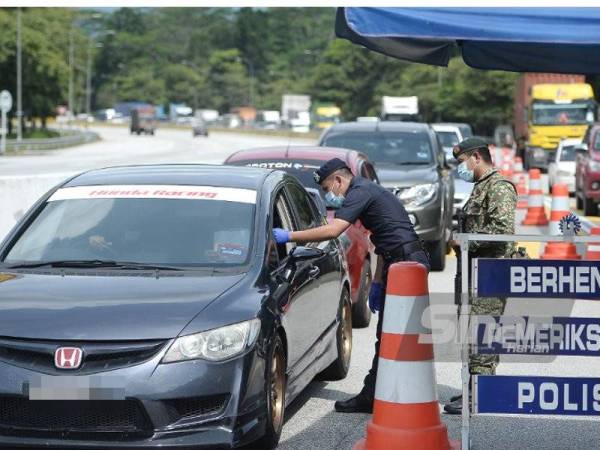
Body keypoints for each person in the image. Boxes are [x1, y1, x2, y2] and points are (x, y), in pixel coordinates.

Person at [272, 157, 430, 414]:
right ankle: (384, 393)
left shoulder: (359, 191)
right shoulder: (367, 191)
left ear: (338, 179)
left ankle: (382, 396)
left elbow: (333, 230)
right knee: (392, 334)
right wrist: (378, 282)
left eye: (327, 188)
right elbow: (382, 241)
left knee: (396, 335)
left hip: (406, 263)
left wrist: (289, 235)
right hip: (400, 260)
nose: (328, 195)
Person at [444, 137, 517, 415]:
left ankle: (478, 394)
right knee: (474, 331)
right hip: (475, 271)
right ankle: (475, 389)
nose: (460, 168)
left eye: (462, 162)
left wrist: (464, 241)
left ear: (476, 157)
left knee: (483, 333)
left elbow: (502, 231)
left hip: (491, 272)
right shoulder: (479, 188)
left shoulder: (498, 188)